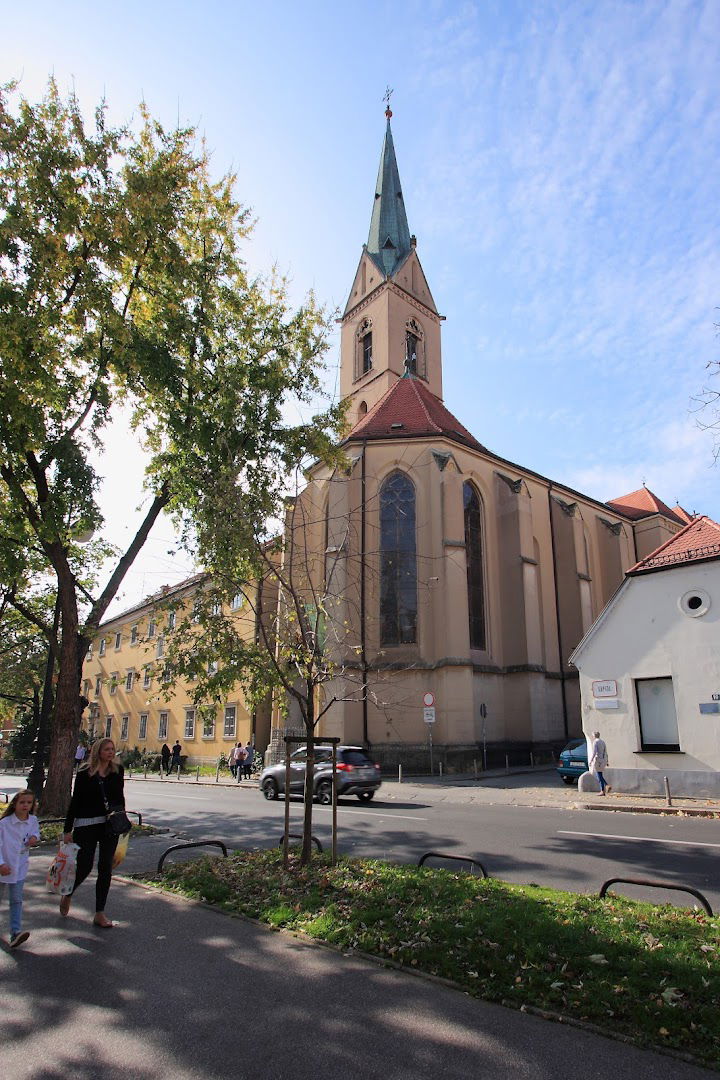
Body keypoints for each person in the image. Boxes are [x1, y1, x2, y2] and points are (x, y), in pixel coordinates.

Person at [61, 738, 125, 927]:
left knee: (105, 868)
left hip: (108, 826)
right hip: (86, 825)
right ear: (98, 751)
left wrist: (121, 822)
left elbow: (120, 797)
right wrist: (67, 829)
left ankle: (99, 913)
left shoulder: (117, 771)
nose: (110, 752)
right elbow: (75, 801)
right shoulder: (84, 773)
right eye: (107, 749)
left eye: (112, 749)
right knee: (85, 866)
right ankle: (68, 893)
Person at [0, 790, 40, 948]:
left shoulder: (33, 820)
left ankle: (15, 932)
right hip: (4, 866)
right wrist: (1, 864)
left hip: (20, 867)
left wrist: (34, 838)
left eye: (29, 803)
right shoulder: (4, 824)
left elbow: (36, 833)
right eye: (22, 802)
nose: (25, 805)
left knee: (16, 900)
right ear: (15, 803)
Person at [588, 730, 611, 795]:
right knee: (599, 774)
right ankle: (606, 786)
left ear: (594, 736)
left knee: (598, 775)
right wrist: (607, 761)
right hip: (603, 760)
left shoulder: (595, 742)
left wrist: (591, 760)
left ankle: (603, 790)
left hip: (598, 760)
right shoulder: (602, 741)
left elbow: (594, 752)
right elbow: (606, 751)